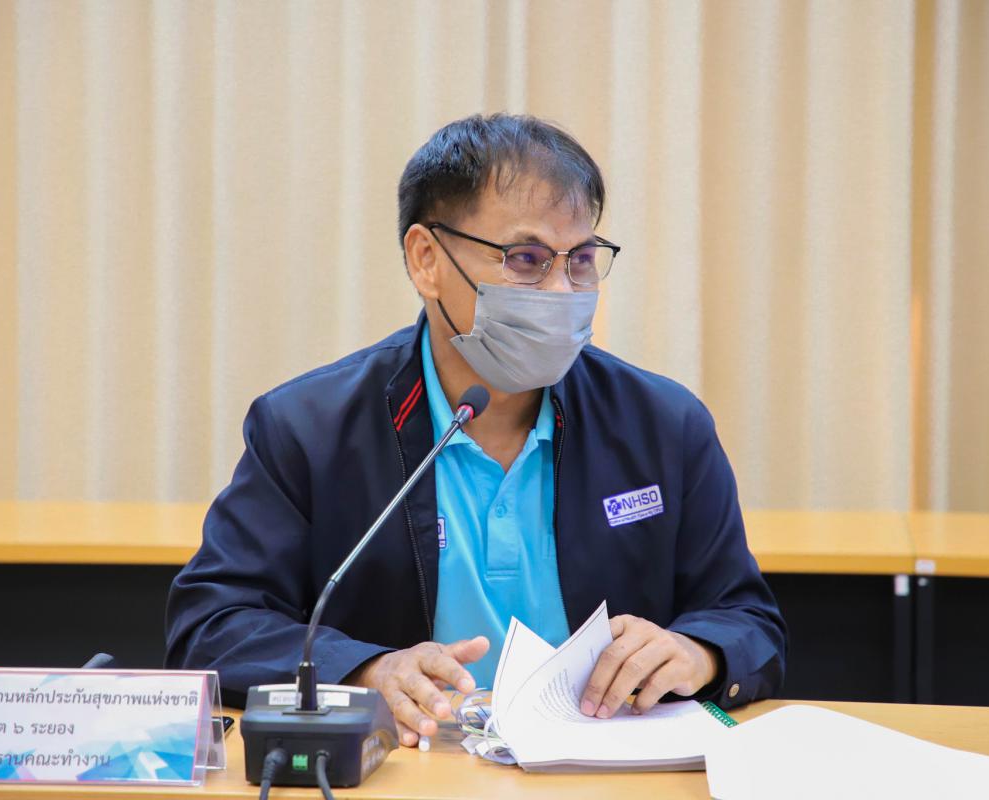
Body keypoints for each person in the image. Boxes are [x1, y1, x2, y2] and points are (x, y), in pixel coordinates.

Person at [165, 113, 787, 748]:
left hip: (604, 772)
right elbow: (211, 626)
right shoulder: (309, 429)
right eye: (526, 259)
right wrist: (364, 670)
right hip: (405, 773)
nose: (561, 290)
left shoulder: (663, 425)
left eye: (580, 261)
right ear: (427, 260)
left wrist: (699, 653)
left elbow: (748, 620)